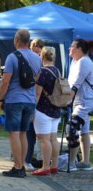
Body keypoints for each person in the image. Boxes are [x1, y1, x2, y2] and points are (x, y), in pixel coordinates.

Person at [0, 29, 42, 178]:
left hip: (14, 100)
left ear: (16, 40)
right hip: (30, 101)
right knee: (23, 133)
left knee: (14, 134)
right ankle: (22, 164)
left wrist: (0, 98)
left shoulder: (12, 57)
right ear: (28, 41)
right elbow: (36, 81)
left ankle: (18, 167)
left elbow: (5, 81)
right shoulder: (37, 58)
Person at [62, 39, 93, 171]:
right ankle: (85, 162)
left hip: (85, 102)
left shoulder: (84, 62)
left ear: (79, 49)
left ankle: (71, 163)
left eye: (72, 47)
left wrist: (65, 102)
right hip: (80, 101)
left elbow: (75, 85)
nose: (69, 48)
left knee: (72, 128)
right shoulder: (76, 62)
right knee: (84, 131)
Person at [31, 47, 61, 175]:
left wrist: (32, 110)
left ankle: (45, 167)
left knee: (44, 140)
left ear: (41, 56)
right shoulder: (57, 71)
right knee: (53, 139)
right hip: (56, 109)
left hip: (43, 110)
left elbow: (37, 94)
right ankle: (54, 166)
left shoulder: (42, 72)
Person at [25, 38, 45, 171]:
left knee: (32, 133)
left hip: (37, 102)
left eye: (37, 52)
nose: (35, 54)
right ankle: (26, 159)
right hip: (29, 99)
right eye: (33, 51)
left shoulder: (42, 66)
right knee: (27, 132)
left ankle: (28, 159)